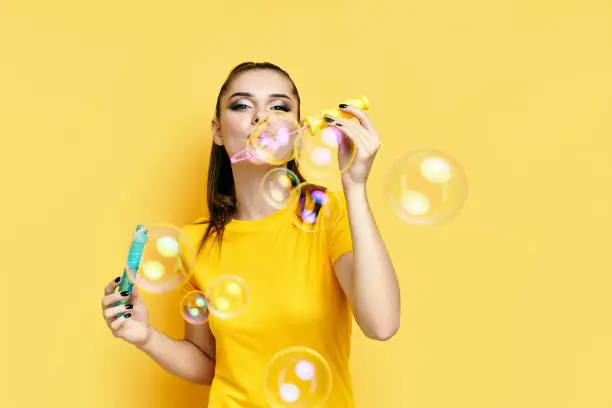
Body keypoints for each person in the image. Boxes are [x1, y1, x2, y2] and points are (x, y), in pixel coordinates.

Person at [101, 62, 401, 407]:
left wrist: (355, 185)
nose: (262, 119)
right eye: (243, 106)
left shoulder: (324, 212)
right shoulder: (195, 241)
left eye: (279, 107)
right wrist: (146, 338)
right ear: (217, 130)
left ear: (300, 130)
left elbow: (382, 324)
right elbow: (210, 364)